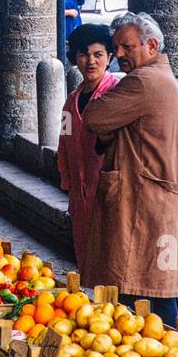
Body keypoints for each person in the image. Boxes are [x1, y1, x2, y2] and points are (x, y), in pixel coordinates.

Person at [81, 12, 178, 326]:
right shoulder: (157, 77)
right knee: (151, 287)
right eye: (117, 48)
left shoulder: (144, 81)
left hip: (145, 202)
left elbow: (94, 117)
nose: (120, 55)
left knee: (138, 288)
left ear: (152, 46)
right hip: (153, 199)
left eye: (126, 47)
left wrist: (109, 128)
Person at [57, 23, 120, 270]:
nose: (90, 61)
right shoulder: (71, 101)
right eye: (84, 54)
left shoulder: (116, 94)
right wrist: (68, 184)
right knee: (86, 263)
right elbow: (64, 143)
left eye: (98, 54)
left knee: (111, 266)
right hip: (80, 199)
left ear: (109, 57)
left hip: (109, 196)